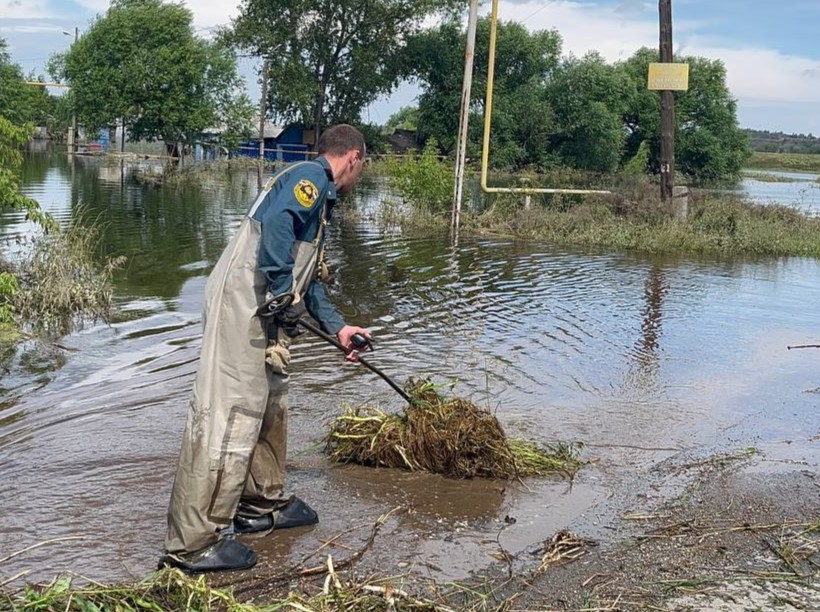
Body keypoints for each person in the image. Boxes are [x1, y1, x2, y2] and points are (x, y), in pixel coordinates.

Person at [159, 124, 370, 573]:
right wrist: (280, 293)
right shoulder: (308, 179)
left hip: (266, 309)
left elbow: (305, 277)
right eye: (362, 167)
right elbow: (276, 228)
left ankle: (259, 505)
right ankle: (192, 544)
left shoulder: (321, 201)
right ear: (353, 157)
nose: (359, 176)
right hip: (243, 307)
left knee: (270, 402)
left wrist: (338, 329)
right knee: (231, 412)